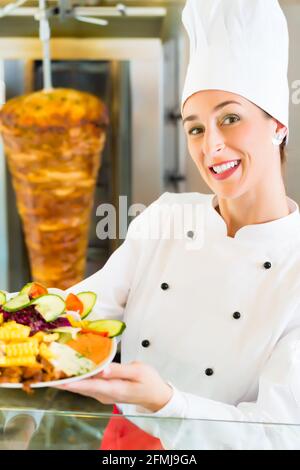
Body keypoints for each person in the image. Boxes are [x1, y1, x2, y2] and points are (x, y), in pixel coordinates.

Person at [56, 0, 300, 449]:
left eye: (230, 118)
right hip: (122, 443)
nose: (213, 146)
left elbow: (278, 435)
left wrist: (167, 404)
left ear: (277, 125)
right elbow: (83, 311)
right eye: (195, 128)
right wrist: (18, 318)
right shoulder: (167, 217)